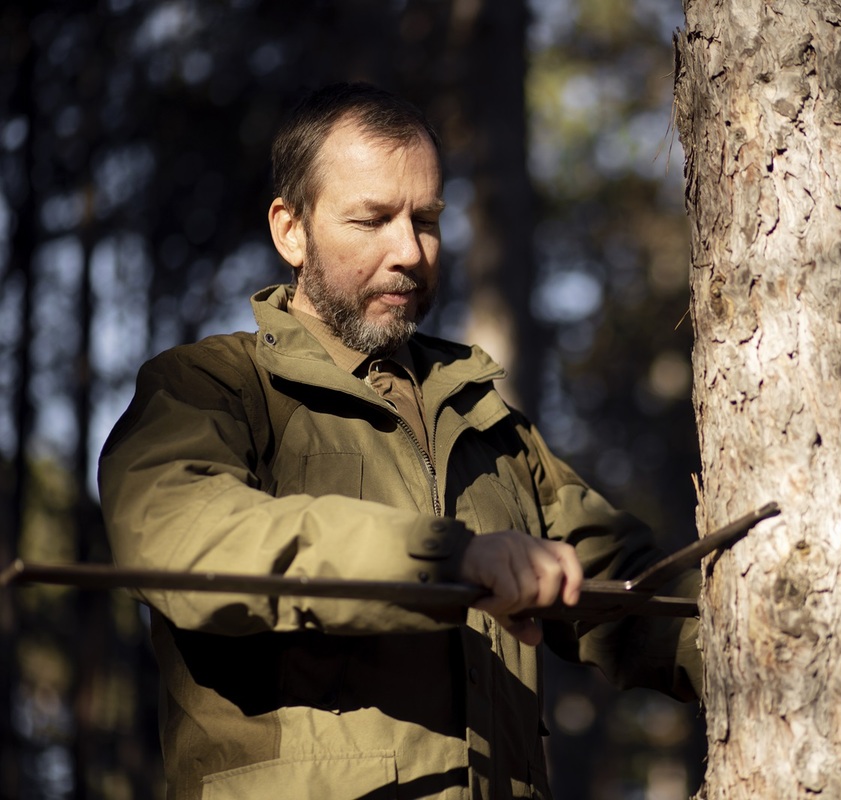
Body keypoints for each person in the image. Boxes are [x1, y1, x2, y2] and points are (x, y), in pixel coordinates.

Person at [98, 82, 701, 800]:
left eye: (427, 219)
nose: (410, 253)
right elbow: (183, 538)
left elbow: (626, 590)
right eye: (372, 220)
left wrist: (783, 639)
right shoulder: (209, 386)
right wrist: (448, 558)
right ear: (290, 230)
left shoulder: (483, 414)